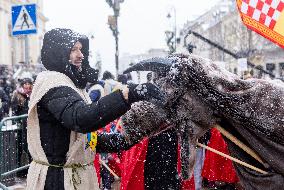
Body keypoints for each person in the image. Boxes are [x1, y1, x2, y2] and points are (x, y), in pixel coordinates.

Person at [26, 28, 165, 190]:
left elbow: (85, 139)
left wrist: (127, 139)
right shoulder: (53, 82)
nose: (81, 55)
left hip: (73, 176)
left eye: (81, 49)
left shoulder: (70, 84)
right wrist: (127, 95)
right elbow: (80, 119)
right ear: (58, 52)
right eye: (73, 50)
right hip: (57, 180)